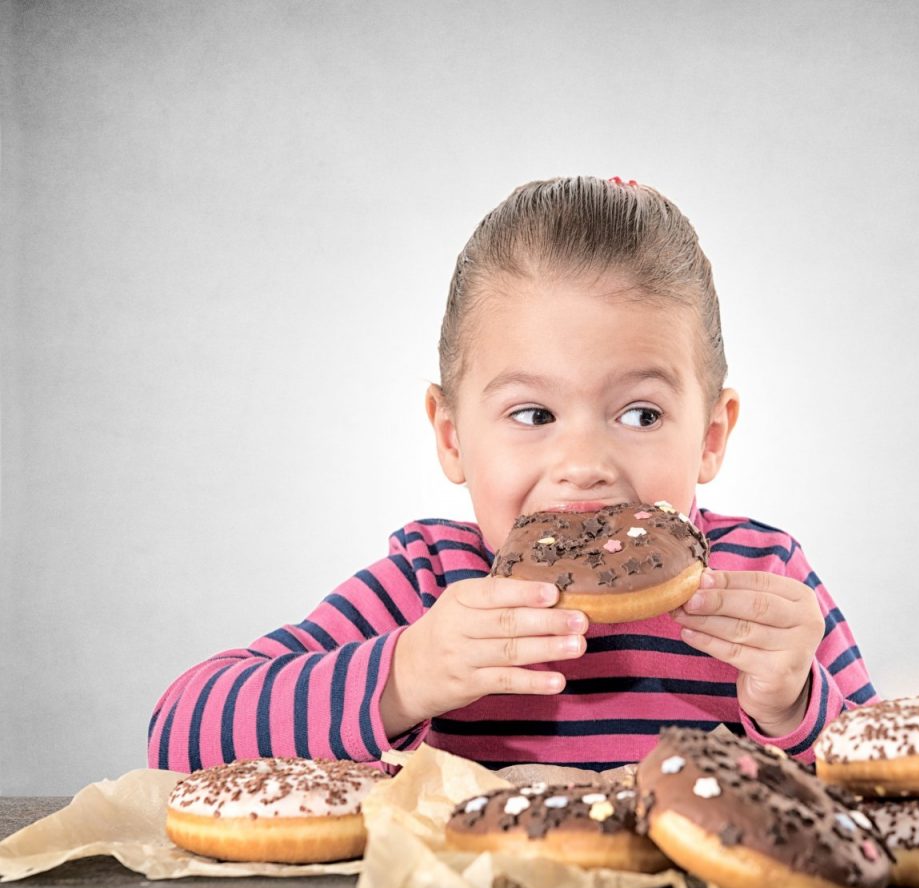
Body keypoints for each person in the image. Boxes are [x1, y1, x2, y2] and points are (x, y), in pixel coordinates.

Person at [148, 176, 876, 774]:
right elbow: (178, 733)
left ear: (711, 436)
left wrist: (794, 704)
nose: (584, 467)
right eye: (533, 415)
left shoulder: (763, 583)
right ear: (453, 436)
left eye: (641, 415)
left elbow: (897, 783)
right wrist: (405, 677)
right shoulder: (431, 586)